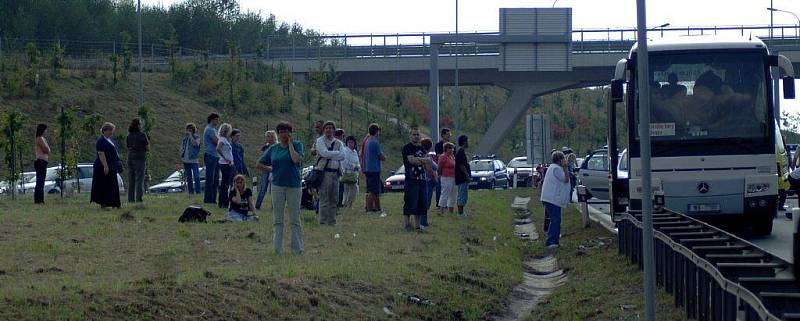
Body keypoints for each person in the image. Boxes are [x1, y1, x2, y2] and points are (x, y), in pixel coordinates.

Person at [258, 121, 304, 255]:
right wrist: (271, 169)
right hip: (277, 185)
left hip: (294, 186)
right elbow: (259, 163)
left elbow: (296, 160)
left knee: (295, 218)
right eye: (282, 132)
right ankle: (278, 250)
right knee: (278, 219)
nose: (284, 134)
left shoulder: (297, 145)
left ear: (290, 133)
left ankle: (297, 250)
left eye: (287, 131)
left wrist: (290, 145)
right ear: (279, 133)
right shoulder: (273, 149)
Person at [315, 121, 344, 225]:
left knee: (334, 199)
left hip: (335, 173)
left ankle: (332, 221)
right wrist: (336, 153)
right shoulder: (319, 141)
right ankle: (323, 221)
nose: (329, 130)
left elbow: (343, 156)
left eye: (331, 128)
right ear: (324, 130)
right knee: (324, 198)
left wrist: (330, 154)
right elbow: (323, 153)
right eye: (327, 128)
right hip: (325, 173)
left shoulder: (339, 143)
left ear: (334, 130)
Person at [540, 151, 571, 249]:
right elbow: (565, 179)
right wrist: (565, 168)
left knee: (554, 219)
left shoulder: (552, 167)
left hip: (550, 198)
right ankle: (552, 241)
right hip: (552, 199)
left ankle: (554, 240)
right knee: (555, 220)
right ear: (560, 160)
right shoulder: (557, 169)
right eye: (564, 159)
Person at [402, 128, 431, 231]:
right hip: (411, 179)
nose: (416, 136)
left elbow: (429, 160)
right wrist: (422, 160)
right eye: (414, 135)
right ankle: (407, 225)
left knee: (421, 203)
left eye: (418, 135)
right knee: (410, 202)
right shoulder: (407, 148)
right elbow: (411, 160)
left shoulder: (422, 148)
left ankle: (418, 226)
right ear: (410, 136)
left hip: (422, 179)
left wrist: (419, 160)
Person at [90, 122, 121, 209]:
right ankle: (103, 203)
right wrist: (105, 166)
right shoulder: (101, 141)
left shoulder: (109, 140)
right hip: (102, 167)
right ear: (104, 130)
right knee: (103, 185)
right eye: (110, 130)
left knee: (113, 185)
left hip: (111, 166)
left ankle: (115, 203)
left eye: (112, 130)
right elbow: (101, 154)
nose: (111, 132)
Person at [363, 123, 386, 214]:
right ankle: (369, 209)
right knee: (372, 191)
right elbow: (381, 156)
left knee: (374, 190)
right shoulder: (375, 142)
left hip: (368, 168)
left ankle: (378, 208)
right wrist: (384, 157)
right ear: (377, 132)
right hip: (374, 169)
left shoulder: (367, 141)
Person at [126, 118, 149, 203]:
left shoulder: (129, 135)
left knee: (131, 179)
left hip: (130, 157)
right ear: (139, 125)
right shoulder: (142, 135)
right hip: (140, 158)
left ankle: (130, 199)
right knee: (139, 179)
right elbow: (147, 147)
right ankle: (139, 199)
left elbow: (128, 147)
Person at [255, 130, 277, 210]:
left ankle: (274, 206)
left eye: (268, 136)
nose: (266, 138)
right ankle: (257, 205)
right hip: (265, 168)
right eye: (266, 136)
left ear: (272, 137)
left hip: (274, 168)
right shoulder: (265, 147)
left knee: (275, 188)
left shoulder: (276, 146)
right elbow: (262, 157)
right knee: (263, 188)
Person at [203, 113, 221, 204]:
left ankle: (213, 199)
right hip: (210, 155)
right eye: (216, 119)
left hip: (216, 156)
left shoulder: (214, 129)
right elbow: (217, 141)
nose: (217, 121)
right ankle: (208, 199)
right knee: (210, 178)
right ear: (212, 119)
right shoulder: (209, 129)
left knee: (215, 179)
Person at [420, 137, 437, 228]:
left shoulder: (422, 155)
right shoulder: (426, 156)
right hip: (428, 181)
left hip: (424, 181)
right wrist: (434, 179)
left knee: (425, 202)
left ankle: (423, 221)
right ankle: (423, 222)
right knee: (426, 203)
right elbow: (430, 169)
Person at [216, 123, 234, 208]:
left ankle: (223, 202)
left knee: (225, 184)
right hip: (225, 164)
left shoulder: (225, 140)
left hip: (227, 163)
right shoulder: (222, 140)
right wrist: (226, 158)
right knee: (225, 184)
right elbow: (218, 149)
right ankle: (223, 203)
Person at [181, 123, 202, 194]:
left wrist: (190, 136)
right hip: (185, 160)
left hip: (194, 160)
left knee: (196, 176)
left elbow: (195, 144)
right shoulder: (185, 138)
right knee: (189, 177)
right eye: (188, 129)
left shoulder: (197, 137)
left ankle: (198, 191)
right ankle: (191, 192)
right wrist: (181, 155)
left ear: (193, 130)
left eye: (190, 129)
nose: (188, 131)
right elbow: (182, 148)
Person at [437, 142, 457, 215]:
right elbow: (439, 167)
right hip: (445, 177)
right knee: (445, 193)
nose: (452, 150)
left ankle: (450, 209)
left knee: (453, 193)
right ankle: (441, 209)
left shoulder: (452, 157)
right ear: (446, 149)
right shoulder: (443, 157)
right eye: (450, 148)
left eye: (452, 148)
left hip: (453, 177)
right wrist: (439, 175)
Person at [341, 135, 360, 208]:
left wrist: (358, 167)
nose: (350, 144)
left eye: (352, 142)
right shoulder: (345, 151)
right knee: (351, 189)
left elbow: (358, 161)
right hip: (347, 173)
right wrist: (353, 166)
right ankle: (347, 204)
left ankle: (347, 204)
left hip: (354, 174)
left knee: (351, 190)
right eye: (349, 142)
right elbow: (345, 162)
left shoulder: (355, 152)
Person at [454, 135, 471, 218]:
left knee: (464, 195)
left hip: (463, 178)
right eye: (467, 141)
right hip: (461, 178)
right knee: (461, 195)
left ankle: (462, 211)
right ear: (464, 142)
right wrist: (467, 175)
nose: (468, 143)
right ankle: (460, 213)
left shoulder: (463, 152)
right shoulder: (460, 152)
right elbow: (461, 165)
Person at [433, 128, 451, 206]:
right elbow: (439, 156)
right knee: (439, 186)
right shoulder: (438, 145)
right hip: (441, 168)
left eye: (450, 134)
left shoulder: (451, 145)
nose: (449, 136)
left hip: (449, 169)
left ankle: (447, 203)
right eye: (447, 134)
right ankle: (438, 203)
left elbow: (453, 156)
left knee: (448, 187)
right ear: (443, 135)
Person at [34, 124, 50, 204]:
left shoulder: (43, 139)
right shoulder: (40, 138)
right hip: (40, 161)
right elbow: (46, 149)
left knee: (41, 181)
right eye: (45, 130)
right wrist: (48, 149)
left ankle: (40, 199)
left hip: (43, 161)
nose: (46, 131)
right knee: (40, 181)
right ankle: (38, 200)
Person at [335, 128, 346, 207]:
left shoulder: (342, 144)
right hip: (337, 167)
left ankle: (340, 202)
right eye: (342, 136)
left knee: (341, 187)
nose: (343, 137)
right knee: (338, 187)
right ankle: (338, 203)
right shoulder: (336, 144)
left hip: (341, 167)